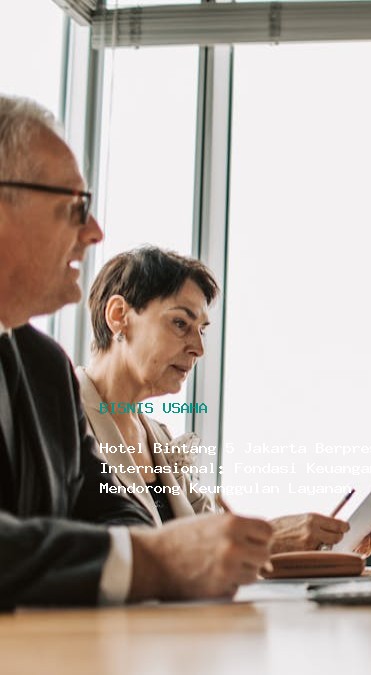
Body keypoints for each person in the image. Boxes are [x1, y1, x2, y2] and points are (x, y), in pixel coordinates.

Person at [0, 94, 272, 608]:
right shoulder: (71, 385)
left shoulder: (42, 367)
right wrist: (151, 561)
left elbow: (112, 511)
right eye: (75, 205)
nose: (95, 231)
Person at [77, 246, 371, 554]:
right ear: (119, 317)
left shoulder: (158, 438)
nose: (199, 348)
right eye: (181, 323)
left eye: (202, 330)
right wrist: (269, 538)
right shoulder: (61, 416)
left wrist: (327, 550)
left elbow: (210, 544)